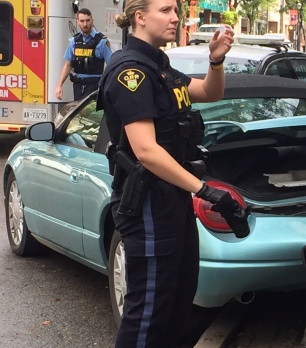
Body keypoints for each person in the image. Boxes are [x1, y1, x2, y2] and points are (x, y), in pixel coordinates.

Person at [96, 0, 249, 347]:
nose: (175, 18)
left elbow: (210, 91)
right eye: (166, 10)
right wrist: (205, 191)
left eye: (177, 10)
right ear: (140, 17)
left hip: (171, 201)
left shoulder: (159, 67)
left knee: (178, 302)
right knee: (149, 312)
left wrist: (216, 60)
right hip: (148, 203)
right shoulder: (130, 72)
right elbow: (146, 150)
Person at [56, 8, 113, 101]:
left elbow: (111, 65)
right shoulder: (74, 41)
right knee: (79, 115)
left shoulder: (101, 41)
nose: (85, 24)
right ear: (77, 22)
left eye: (87, 20)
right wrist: (59, 85)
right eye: (82, 21)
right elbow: (68, 65)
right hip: (78, 87)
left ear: (92, 21)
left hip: (95, 87)